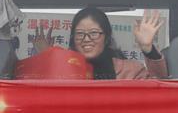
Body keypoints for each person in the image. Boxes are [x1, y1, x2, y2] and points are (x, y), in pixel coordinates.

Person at [33, 7, 167, 80]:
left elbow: (160, 89)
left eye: (94, 33)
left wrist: (148, 49)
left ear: (106, 37)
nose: (86, 39)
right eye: (80, 34)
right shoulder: (63, 70)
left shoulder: (131, 71)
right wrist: (47, 58)